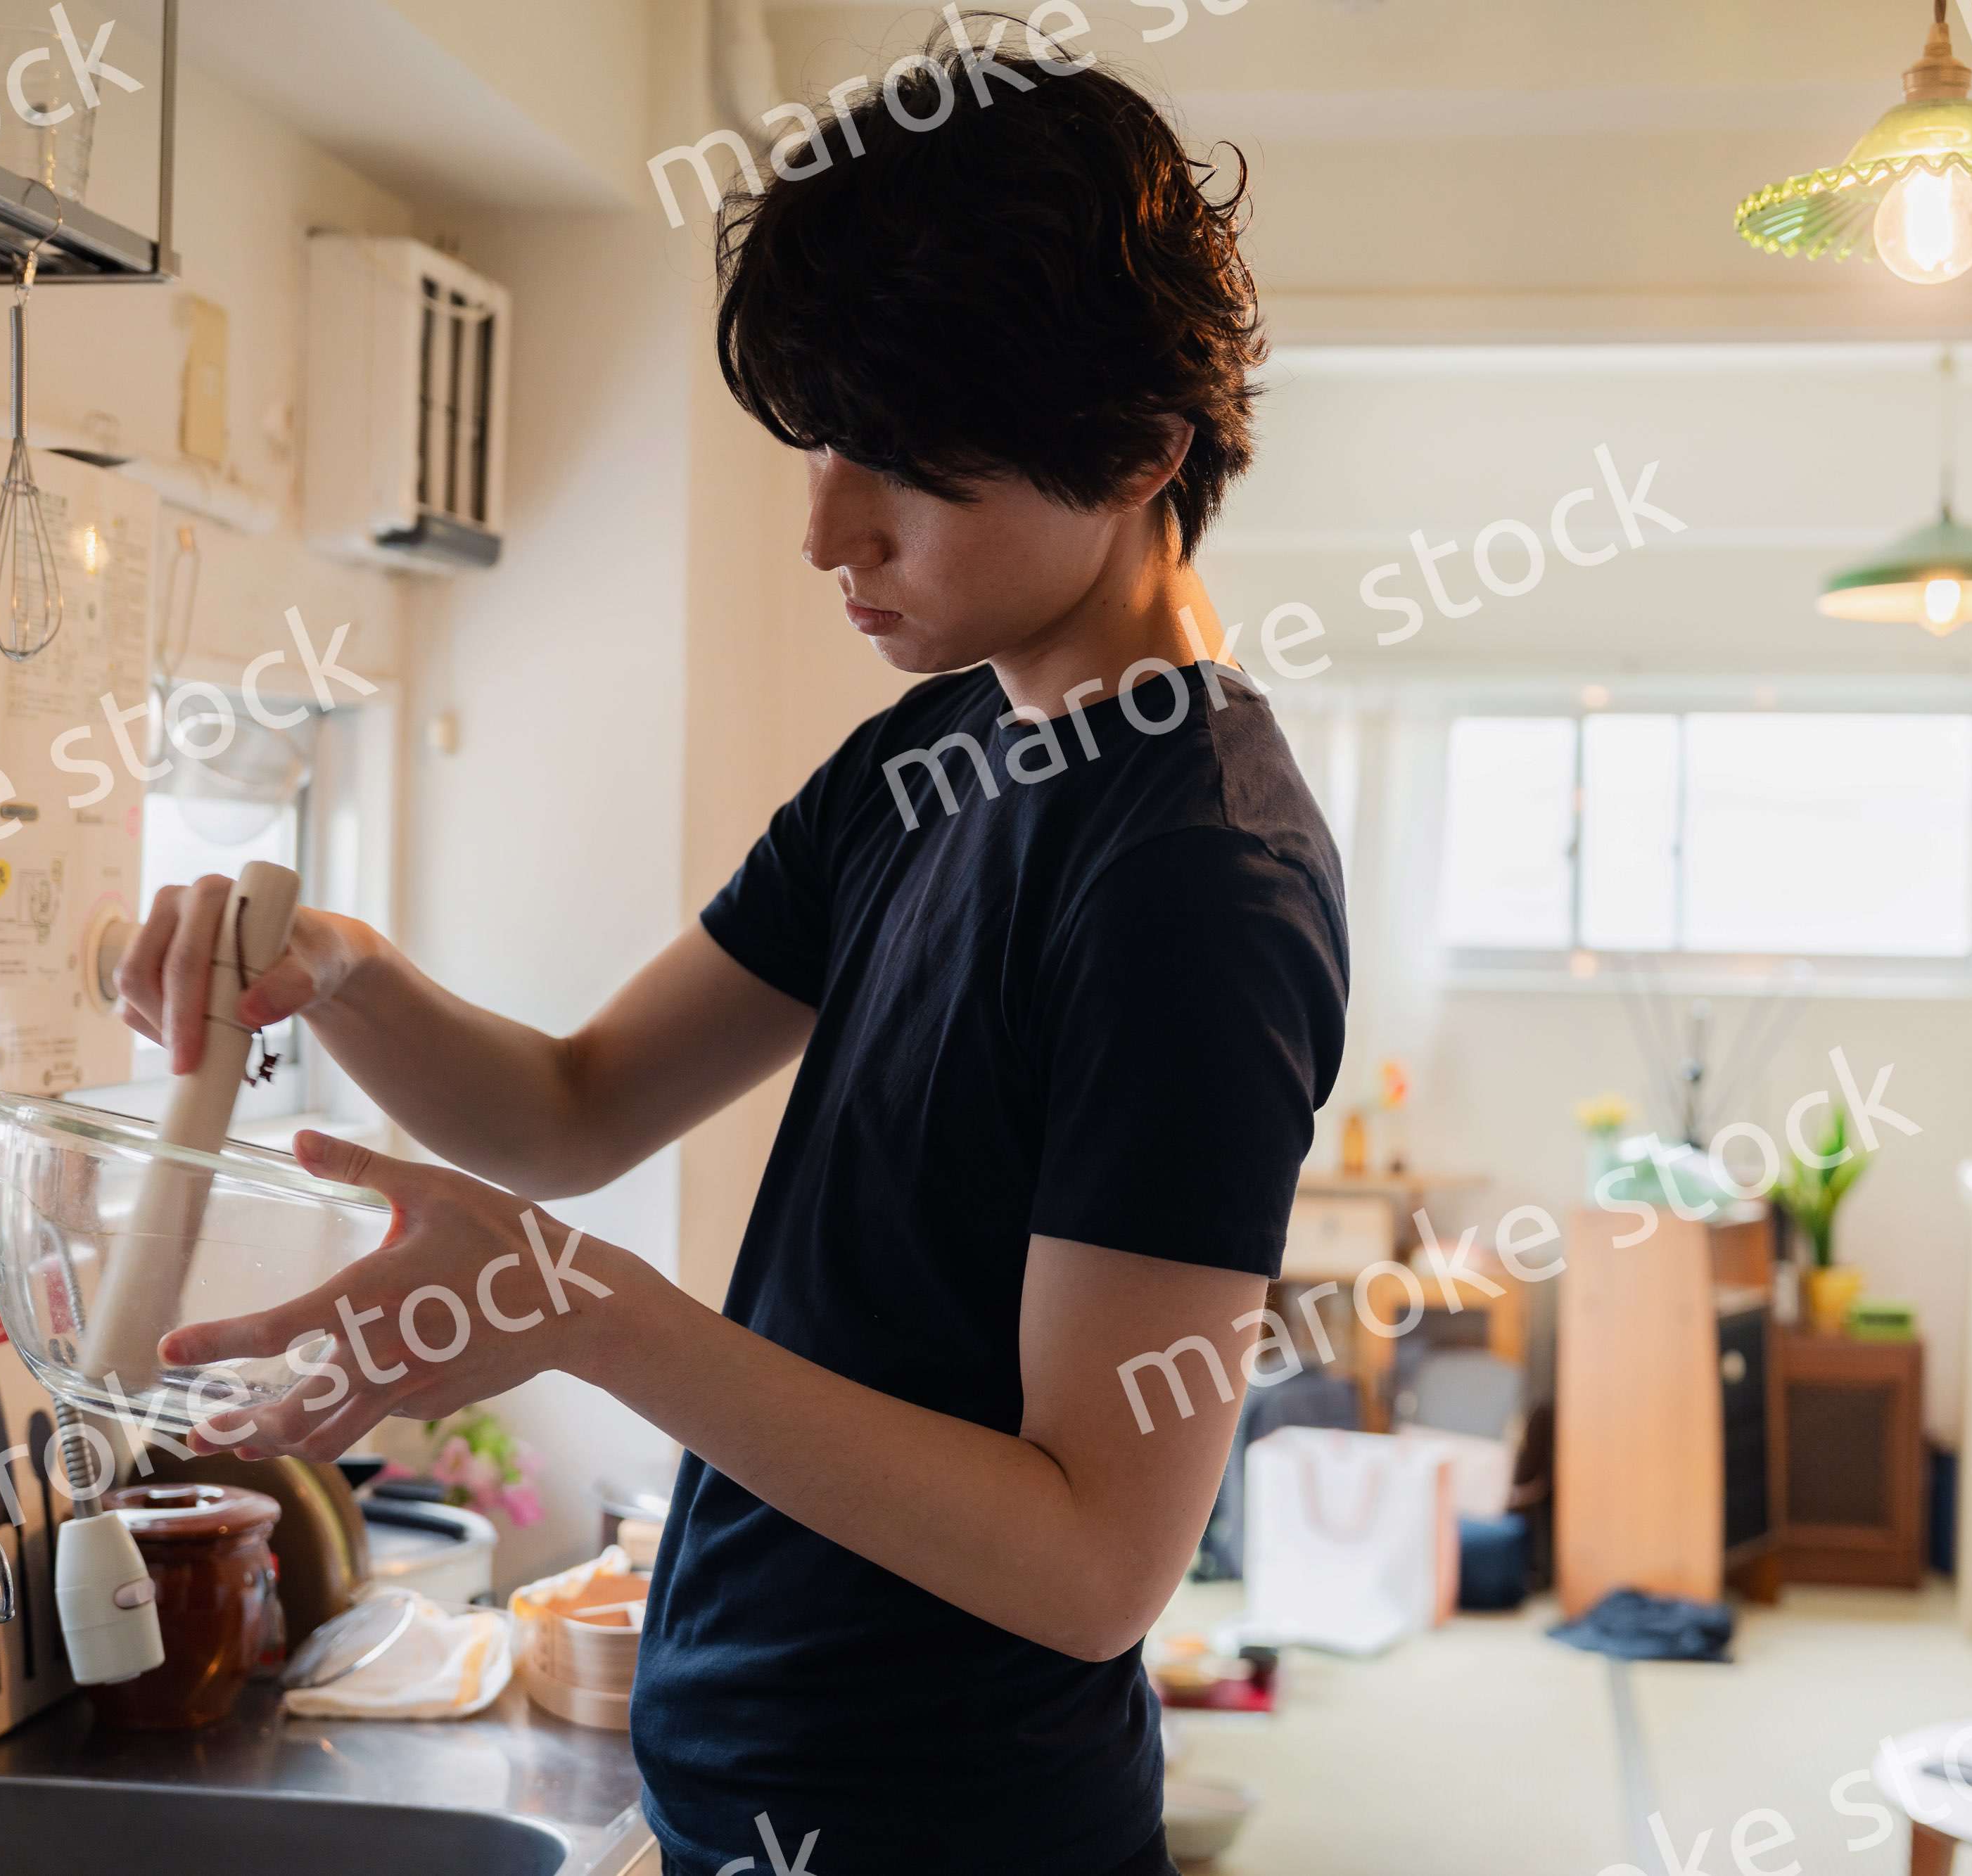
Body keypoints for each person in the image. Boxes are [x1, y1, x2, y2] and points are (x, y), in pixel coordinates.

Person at [115, 27, 1347, 1876]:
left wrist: (580, 1308)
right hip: (738, 1790)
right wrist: (347, 977)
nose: (825, 525)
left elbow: (1097, 1561)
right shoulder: (927, 755)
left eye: (910, 464)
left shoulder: (1196, 878)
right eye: (825, 438)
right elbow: (569, 1108)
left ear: (1146, 445)